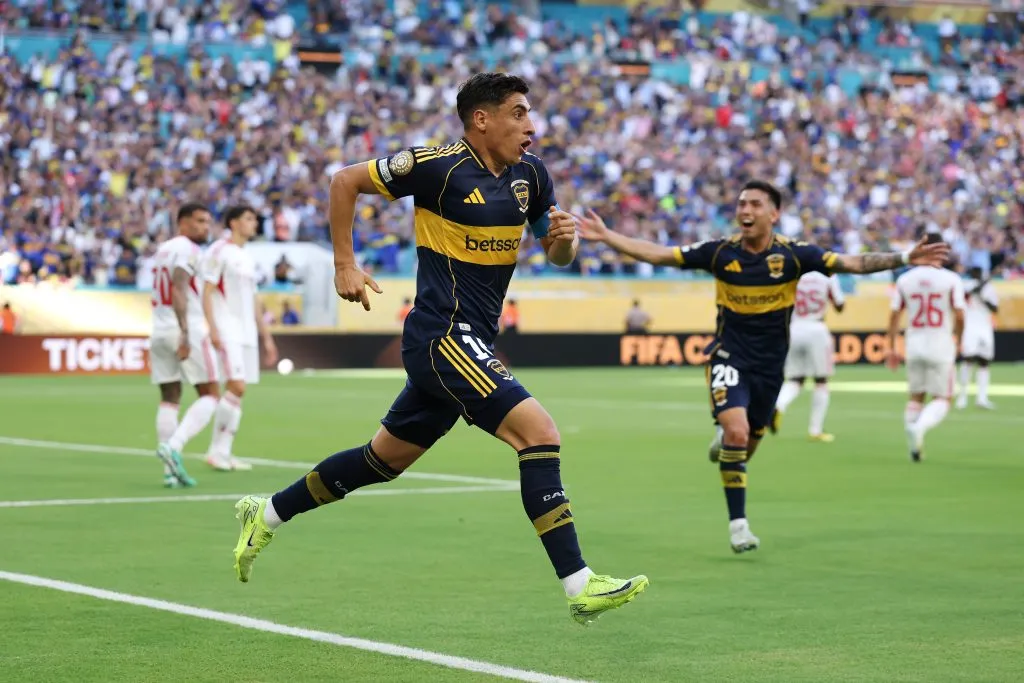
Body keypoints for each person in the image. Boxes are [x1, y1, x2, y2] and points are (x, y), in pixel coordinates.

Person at [231, 73, 648, 625]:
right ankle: (579, 584)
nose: (532, 126)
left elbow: (557, 254)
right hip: (442, 335)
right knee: (539, 433)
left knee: (381, 461)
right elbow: (343, 181)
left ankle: (269, 512)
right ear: (483, 119)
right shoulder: (436, 166)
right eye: (520, 113)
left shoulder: (532, 175)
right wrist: (343, 264)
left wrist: (564, 240)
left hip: (472, 339)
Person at [575, 180, 949, 553]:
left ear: (774, 214)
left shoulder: (794, 255)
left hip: (771, 366)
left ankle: (727, 442)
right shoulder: (720, 252)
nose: (745, 211)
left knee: (747, 442)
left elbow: (852, 262)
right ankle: (739, 526)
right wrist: (609, 237)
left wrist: (903, 259)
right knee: (737, 433)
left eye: (754, 204)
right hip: (729, 355)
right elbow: (659, 255)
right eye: (741, 204)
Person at [201, 205, 279, 472]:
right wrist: (211, 327)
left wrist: (266, 337)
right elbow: (207, 290)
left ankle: (223, 452)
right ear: (233, 223)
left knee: (238, 391)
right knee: (237, 386)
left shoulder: (246, 256)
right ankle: (216, 451)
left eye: (255, 218)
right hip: (227, 328)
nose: (254, 222)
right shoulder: (218, 250)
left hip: (246, 332)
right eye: (248, 218)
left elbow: (254, 300)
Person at [150, 203, 221, 488]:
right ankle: (174, 446)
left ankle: (169, 472)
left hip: (157, 328)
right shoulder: (189, 250)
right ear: (183, 223)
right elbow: (180, 286)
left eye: (208, 222)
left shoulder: (162, 250)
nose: (206, 227)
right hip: (185, 327)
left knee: (170, 397)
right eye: (200, 221)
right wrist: (184, 331)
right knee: (211, 393)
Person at [885, 237, 965, 462]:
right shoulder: (951, 279)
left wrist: (891, 346)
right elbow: (959, 313)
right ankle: (918, 429)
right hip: (940, 342)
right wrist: (959, 339)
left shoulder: (905, 280)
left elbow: (894, 314)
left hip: (914, 343)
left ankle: (913, 446)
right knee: (943, 398)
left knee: (916, 396)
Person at [773, 272, 846, 442]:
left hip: (794, 328)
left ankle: (778, 405)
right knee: (821, 380)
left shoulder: (793, 274)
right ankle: (815, 430)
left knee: (795, 379)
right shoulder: (827, 276)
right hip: (816, 328)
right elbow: (839, 305)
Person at [956, 266, 998, 410]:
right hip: (970, 327)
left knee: (984, 361)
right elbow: (962, 297)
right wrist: (976, 290)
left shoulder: (989, 289)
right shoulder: (965, 285)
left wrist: (982, 297)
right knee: (968, 359)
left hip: (985, 327)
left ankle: (982, 398)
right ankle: (962, 397)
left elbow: (995, 309)